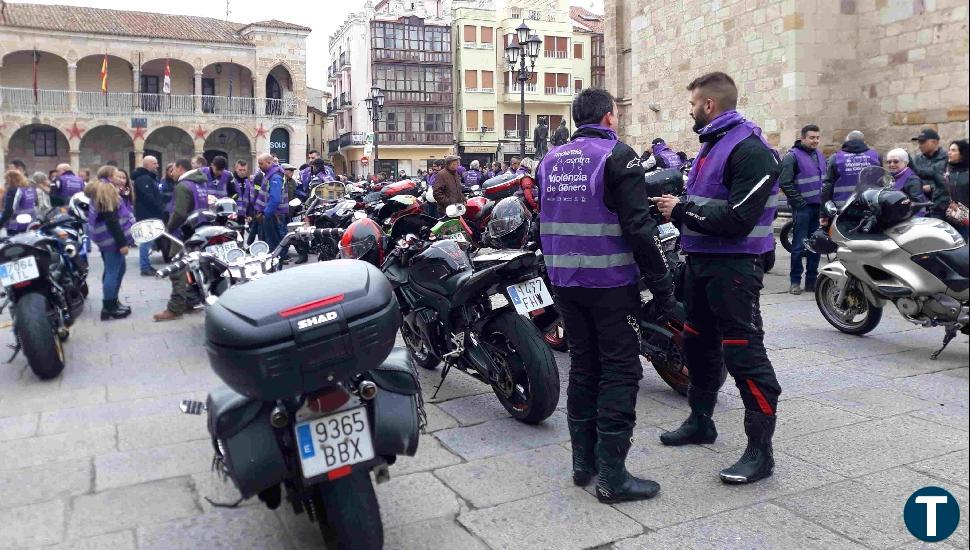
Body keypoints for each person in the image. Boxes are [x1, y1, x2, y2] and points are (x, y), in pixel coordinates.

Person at [540, 88, 674, 504]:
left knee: (583, 366)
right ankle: (613, 476)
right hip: (611, 283)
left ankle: (584, 463)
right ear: (609, 117)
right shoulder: (618, 157)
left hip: (565, 281)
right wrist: (663, 285)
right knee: (620, 371)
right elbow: (638, 227)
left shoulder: (550, 160)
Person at [653, 72, 782, 485]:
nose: (690, 110)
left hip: (735, 268)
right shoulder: (712, 144)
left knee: (743, 353)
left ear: (709, 105)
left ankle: (760, 453)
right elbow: (708, 204)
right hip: (702, 263)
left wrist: (679, 210)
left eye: (692, 104)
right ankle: (700, 420)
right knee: (696, 343)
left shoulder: (752, 149)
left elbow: (738, 219)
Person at [153, 159, 209, 322]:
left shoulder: (183, 186)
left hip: (181, 234)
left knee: (177, 270)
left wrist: (168, 228)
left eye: (174, 169)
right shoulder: (200, 184)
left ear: (180, 168)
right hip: (197, 231)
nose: (172, 173)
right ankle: (192, 301)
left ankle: (175, 308)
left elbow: (179, 213)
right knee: (193, 268)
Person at [778, 124, 824, 295]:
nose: (815, 141)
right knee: (798, 246)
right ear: (803, 138)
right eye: (812, 138)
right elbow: (785, 182)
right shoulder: (792, 156)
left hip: (818, 207)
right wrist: (799, 202)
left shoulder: (819, 155)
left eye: (817, 138)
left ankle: (812, 281)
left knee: (816, 245)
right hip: (803, 208)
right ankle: (795, 281)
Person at [87, 169, 134, 320]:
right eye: (115, 175)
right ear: (108, 177)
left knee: (118, 269)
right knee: (113, 271)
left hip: (104, 237)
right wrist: (122, 243)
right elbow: (112, 219)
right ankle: (108, 307)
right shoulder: (107, 190)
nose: (119, 177)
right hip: (111, 239)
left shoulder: (103, 188)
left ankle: (113, 301)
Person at [820, 130, 881, 217]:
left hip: (842, 208)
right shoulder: (876, 157)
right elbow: (881, 182)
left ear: (847, 141)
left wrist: (823, 213)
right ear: (864, 142)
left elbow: (827, 186)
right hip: (869, 207)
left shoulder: (836, 158)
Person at [131, 156, 166, 276]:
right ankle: (145, 267)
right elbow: (148, 198)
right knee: (146, 241)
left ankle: (146, 265)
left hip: (149, 213)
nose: (157, 166)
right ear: (147, 165)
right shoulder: (144, 179)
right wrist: (160, 209)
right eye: (154, 163)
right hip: (147, 214)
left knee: (148, 241)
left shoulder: (147, 178)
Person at [910, 128, 949, 218]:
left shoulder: (947, 158)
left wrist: (931, 188)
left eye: (923, 142)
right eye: (919, 143)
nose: (920, 146)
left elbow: (948, 181)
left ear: (935, 142)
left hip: (942, 206)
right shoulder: (917, 159)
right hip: (922, 204)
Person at [255, 154, 288, 251]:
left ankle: (277, 264)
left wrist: (266, 214)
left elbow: (275, 199)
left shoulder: (275, 177)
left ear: (269, 163)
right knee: (271, 243)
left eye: (261, 164)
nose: (259, 166)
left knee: (273, 245)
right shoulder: (271, 175)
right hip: (272, 214)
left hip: (274, 215)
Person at [944, 140, 969, 239]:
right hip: (949, 216)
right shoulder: (946, 170)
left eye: (953, 150)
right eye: (949, 150)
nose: (949, 153)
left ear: (962, 154)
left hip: (965, 218)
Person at [0, 169, 37, 234]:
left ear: (11, 179)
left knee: (14, 243)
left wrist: (1, 223)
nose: (6, 182)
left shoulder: (12, 191)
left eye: (6, 180)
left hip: (15, 225)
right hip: (29, 223)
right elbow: (35, 204)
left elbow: (8, 210)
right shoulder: (30, 189)